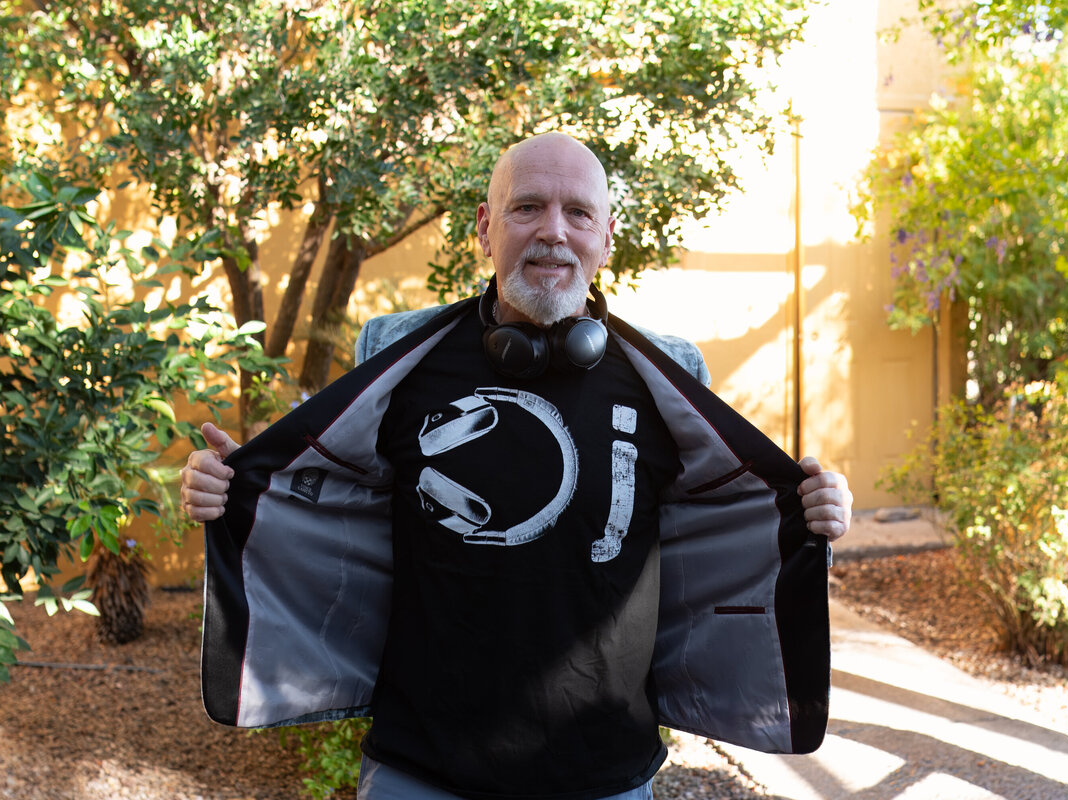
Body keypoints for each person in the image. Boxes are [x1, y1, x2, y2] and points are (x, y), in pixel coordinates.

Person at [183, 133, 852, 800]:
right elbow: (324, 502)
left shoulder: (669, 376)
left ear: (607, 237)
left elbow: (731, 528)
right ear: (485, 227)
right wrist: (227, 490)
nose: (553, 232)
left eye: (578, 213)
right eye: (527, 207)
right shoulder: (398, 355)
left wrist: (813, 520)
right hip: (420, 770)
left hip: (603, 778)